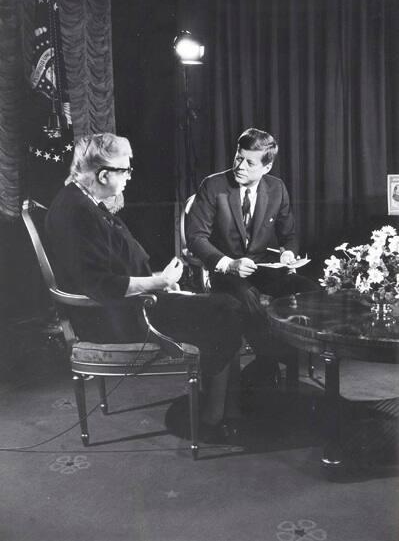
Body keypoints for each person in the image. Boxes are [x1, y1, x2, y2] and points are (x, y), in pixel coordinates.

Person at [45, 133, 245, 443]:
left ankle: (225, 407)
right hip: (115, 318)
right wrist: (160, 283)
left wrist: (163, 285)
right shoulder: (76, 212)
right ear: (103, 174)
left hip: (130, 304)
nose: (129, 176)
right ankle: (214, 416)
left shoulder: (84, 202)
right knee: (227, 308)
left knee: (225, 306)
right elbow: (102, 285)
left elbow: (111, 267)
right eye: (125, 170)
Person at [186, 127, 318, 377]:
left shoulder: (277, 188)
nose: (240, 166)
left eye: (249, 162)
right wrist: (228, 263)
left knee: (309, 289)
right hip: (225, 273)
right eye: (238, 157)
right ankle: (272, 359)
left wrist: (287, 254)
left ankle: (295, 355)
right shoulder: (213, 186)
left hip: (262, 269)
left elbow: (289, 236)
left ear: (266, 168)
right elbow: (195, 237)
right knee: (248, 296)